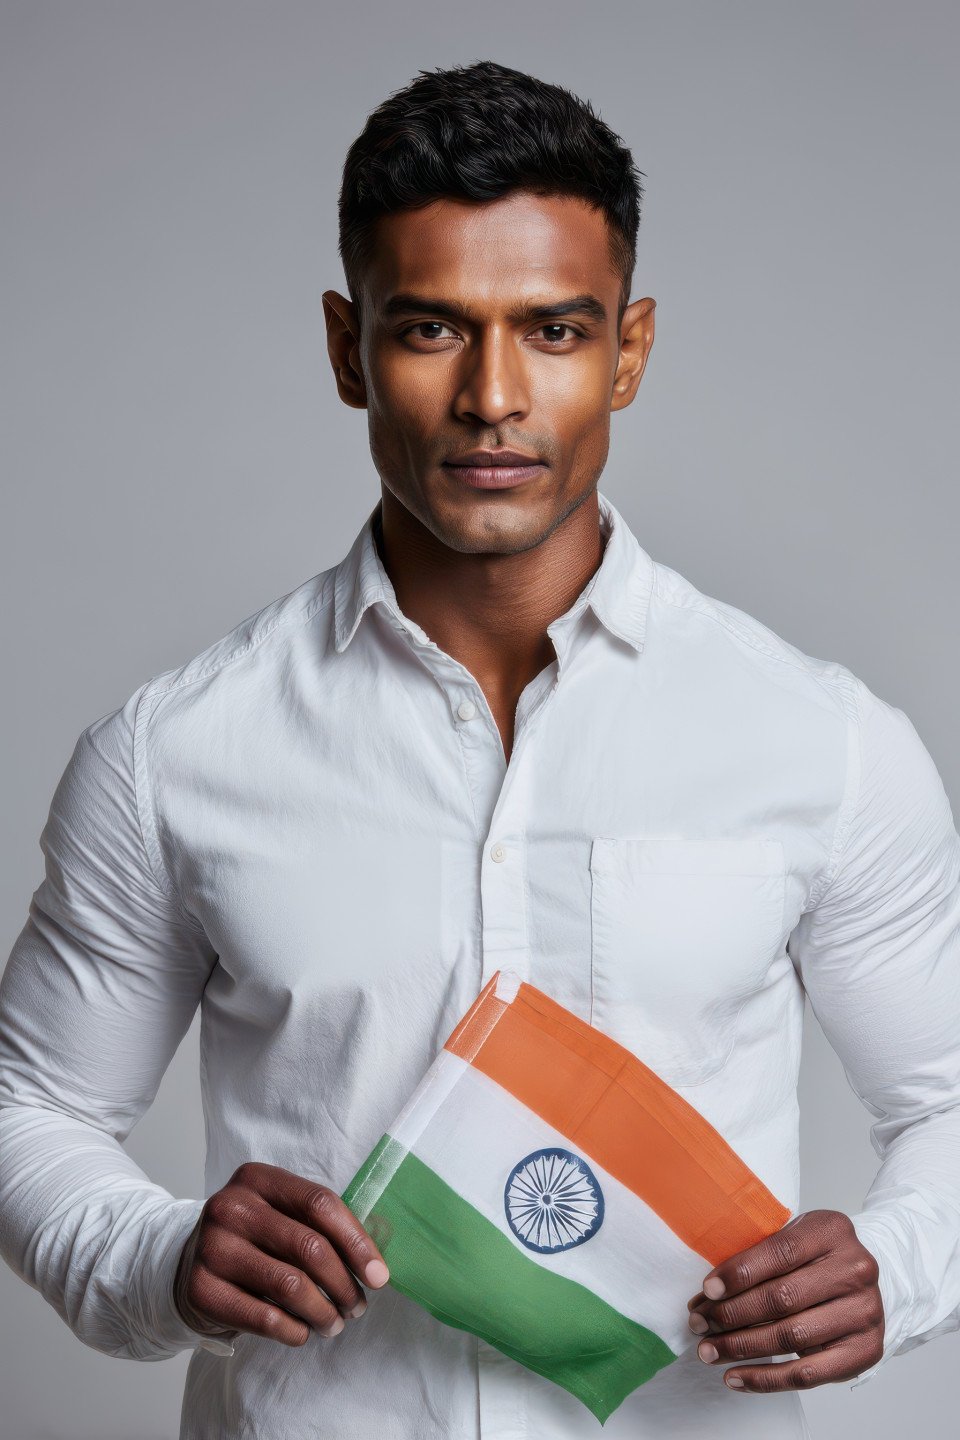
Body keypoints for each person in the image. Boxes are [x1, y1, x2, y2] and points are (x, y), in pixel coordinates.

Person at [1, 58, 958, 1440]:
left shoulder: (824, 742)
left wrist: (904, 1265)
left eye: (555, 331)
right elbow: (31, 1108)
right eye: (433, 329)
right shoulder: (177, 753)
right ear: (348, 350)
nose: (494, 396)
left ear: (628, 349)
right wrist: (160, 1259)